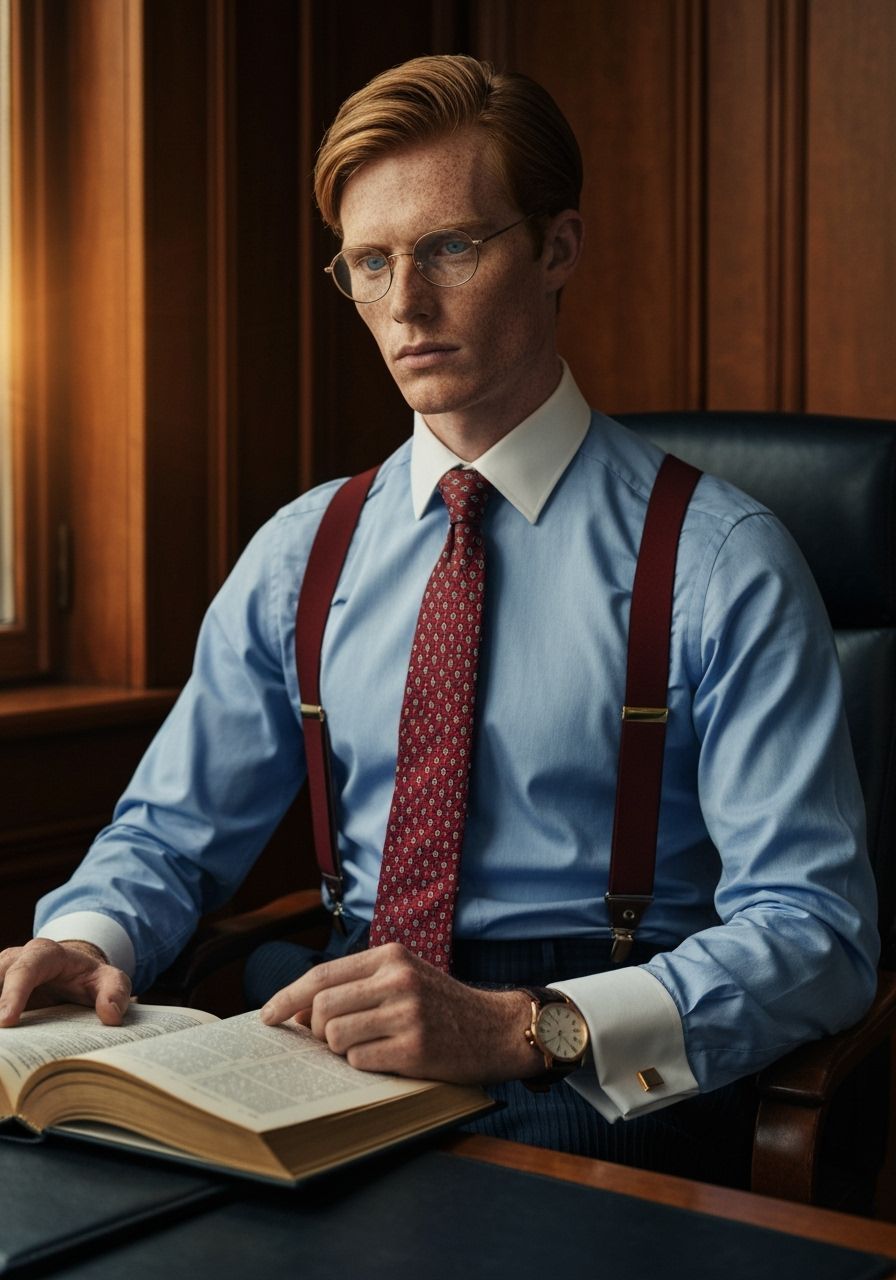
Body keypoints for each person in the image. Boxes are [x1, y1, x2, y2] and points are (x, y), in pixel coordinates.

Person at [0, 55, 879, 1184]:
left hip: (586, 1054)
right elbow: (169, 834)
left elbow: (816, 931)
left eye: (449, 248)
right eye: (370, 262)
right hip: (334, 1027)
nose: (404, 304)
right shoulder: (300, 552)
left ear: (556, 248)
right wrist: (89, 938)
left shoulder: (721, 562)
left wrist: (523, 1026)